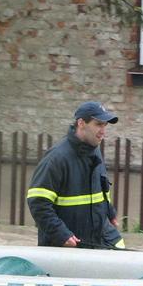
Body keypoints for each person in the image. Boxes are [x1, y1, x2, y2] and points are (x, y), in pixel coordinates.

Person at [26, 100, 125, 249]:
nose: (103, 131)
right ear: (81, 123)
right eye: (98, 124)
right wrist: (61, 234)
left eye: (105, 125)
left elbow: (101, 189)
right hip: (68, 246)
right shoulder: (56, 158)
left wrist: (109, 212)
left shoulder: (94, 150)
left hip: (95, 241)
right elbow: (38, 202)